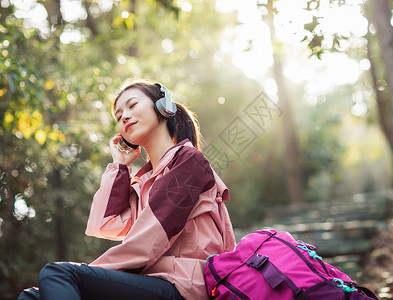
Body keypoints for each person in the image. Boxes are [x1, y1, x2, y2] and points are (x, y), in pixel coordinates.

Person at [18, 79, 236, 300]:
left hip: (186, 286)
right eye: (118, 115)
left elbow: (148, 240)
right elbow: (104, 224)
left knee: (58, 274)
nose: (124, 116)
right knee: (32, 297)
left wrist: (89, 273)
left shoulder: (189, 162)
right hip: (150, 282)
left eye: (132, 106)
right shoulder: (144, 182)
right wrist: (120, 165)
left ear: (163, 107)